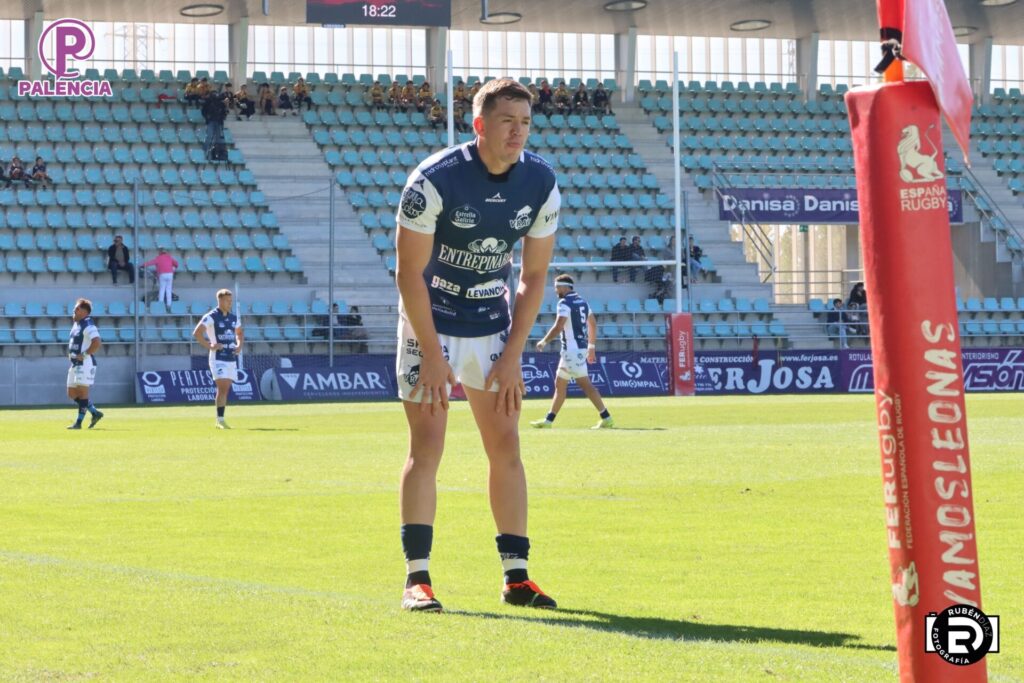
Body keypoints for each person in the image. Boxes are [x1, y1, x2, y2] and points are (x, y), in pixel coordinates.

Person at [394, 77, 560, 613]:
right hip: (431, 324)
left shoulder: (541, 182)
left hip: (491, 325)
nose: (518, 132)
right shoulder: (433, 179)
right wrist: (432, 354)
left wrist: (514, 356)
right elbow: (408, 274)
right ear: (480, 125)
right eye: (508, 121)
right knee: (427, 448)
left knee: (506, 445)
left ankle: (517, 578)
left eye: (526, 123)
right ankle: (417, 580)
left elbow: (534, 277)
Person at [530, 274, 613, 430]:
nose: (555, 290)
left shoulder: (564, 303)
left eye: (557, 287)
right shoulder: (583, 302)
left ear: (564, 287)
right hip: (576, 350)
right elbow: (593, 324)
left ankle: (607, 417)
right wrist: (591, 347)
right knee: (560, 384)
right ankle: (548, 421)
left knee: (586, 385)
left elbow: (558, 326)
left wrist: (544, 341)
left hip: (571, 351)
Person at [193, 289, 244, 429]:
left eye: (231, 301)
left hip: (231, 357)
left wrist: (239, 346)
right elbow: (197, 333)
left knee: (225, 389)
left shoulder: (233, 318)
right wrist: (210, 346)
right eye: (227, 301)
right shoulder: (211, 316)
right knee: (222, 388)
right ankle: (220, 420)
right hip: (218, 358)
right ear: (220, 301)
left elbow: (240, 333)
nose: (230, 303)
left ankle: (220, 419)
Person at [66, 298, 104, 430]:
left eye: (77, 308)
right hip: (75, 363)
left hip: (85, 363)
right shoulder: (76, 324)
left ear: (84, 312)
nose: (74, 310)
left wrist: (85, 354)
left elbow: (97, 342)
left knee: (83, 393)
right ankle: (94, 412)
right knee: (71, 393)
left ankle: (78, 423)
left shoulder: (88, 324)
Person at [201, 92, 227, 160]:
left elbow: (224, 112)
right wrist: (207, 117)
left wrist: (222, 117)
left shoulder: (221, 104)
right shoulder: (208, 103)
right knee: (209, 136)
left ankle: (217, 152)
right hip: (211, 121)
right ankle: (204, 150)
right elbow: (203, 111)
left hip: (219, 122)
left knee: (218, 139)